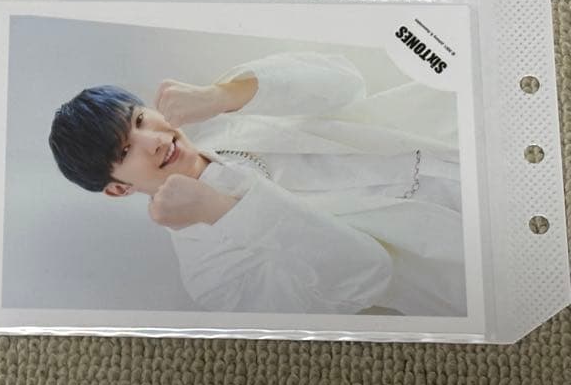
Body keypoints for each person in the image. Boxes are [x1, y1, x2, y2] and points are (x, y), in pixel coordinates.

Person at [48, 51, 466, 316]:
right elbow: (367, 274)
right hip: (461, 251)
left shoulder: (217, 112)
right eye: (125, 151)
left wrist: (223, 95)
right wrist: (224, 212)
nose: (154, 141)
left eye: (140, 120)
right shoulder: (211, 276)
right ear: (118, 188)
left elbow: (346, 82)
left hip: (456, 131)